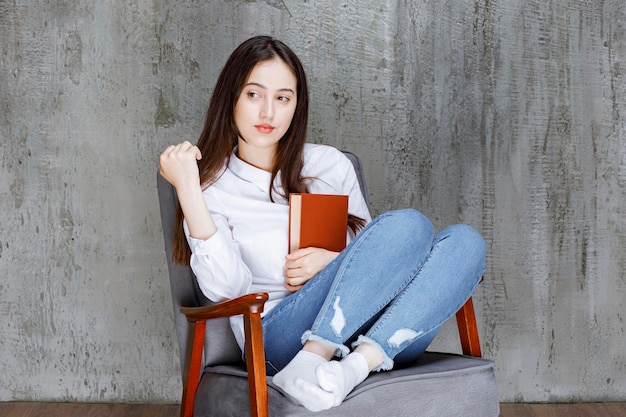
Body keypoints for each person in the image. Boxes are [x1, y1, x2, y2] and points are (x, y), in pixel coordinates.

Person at [159, 35, 486, 412]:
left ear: (296, 106)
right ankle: (312, 359)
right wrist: (188, 186)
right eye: (254, 95)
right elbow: (226, 288)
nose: (268, 112)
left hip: (372, 336)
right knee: (410, 224)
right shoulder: (211, 187)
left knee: (466, 242)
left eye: (283, 98)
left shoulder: (330, 166)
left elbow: (386, 253)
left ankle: (351, 371)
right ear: (230, 98)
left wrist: (333, 262)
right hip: (279, 339)